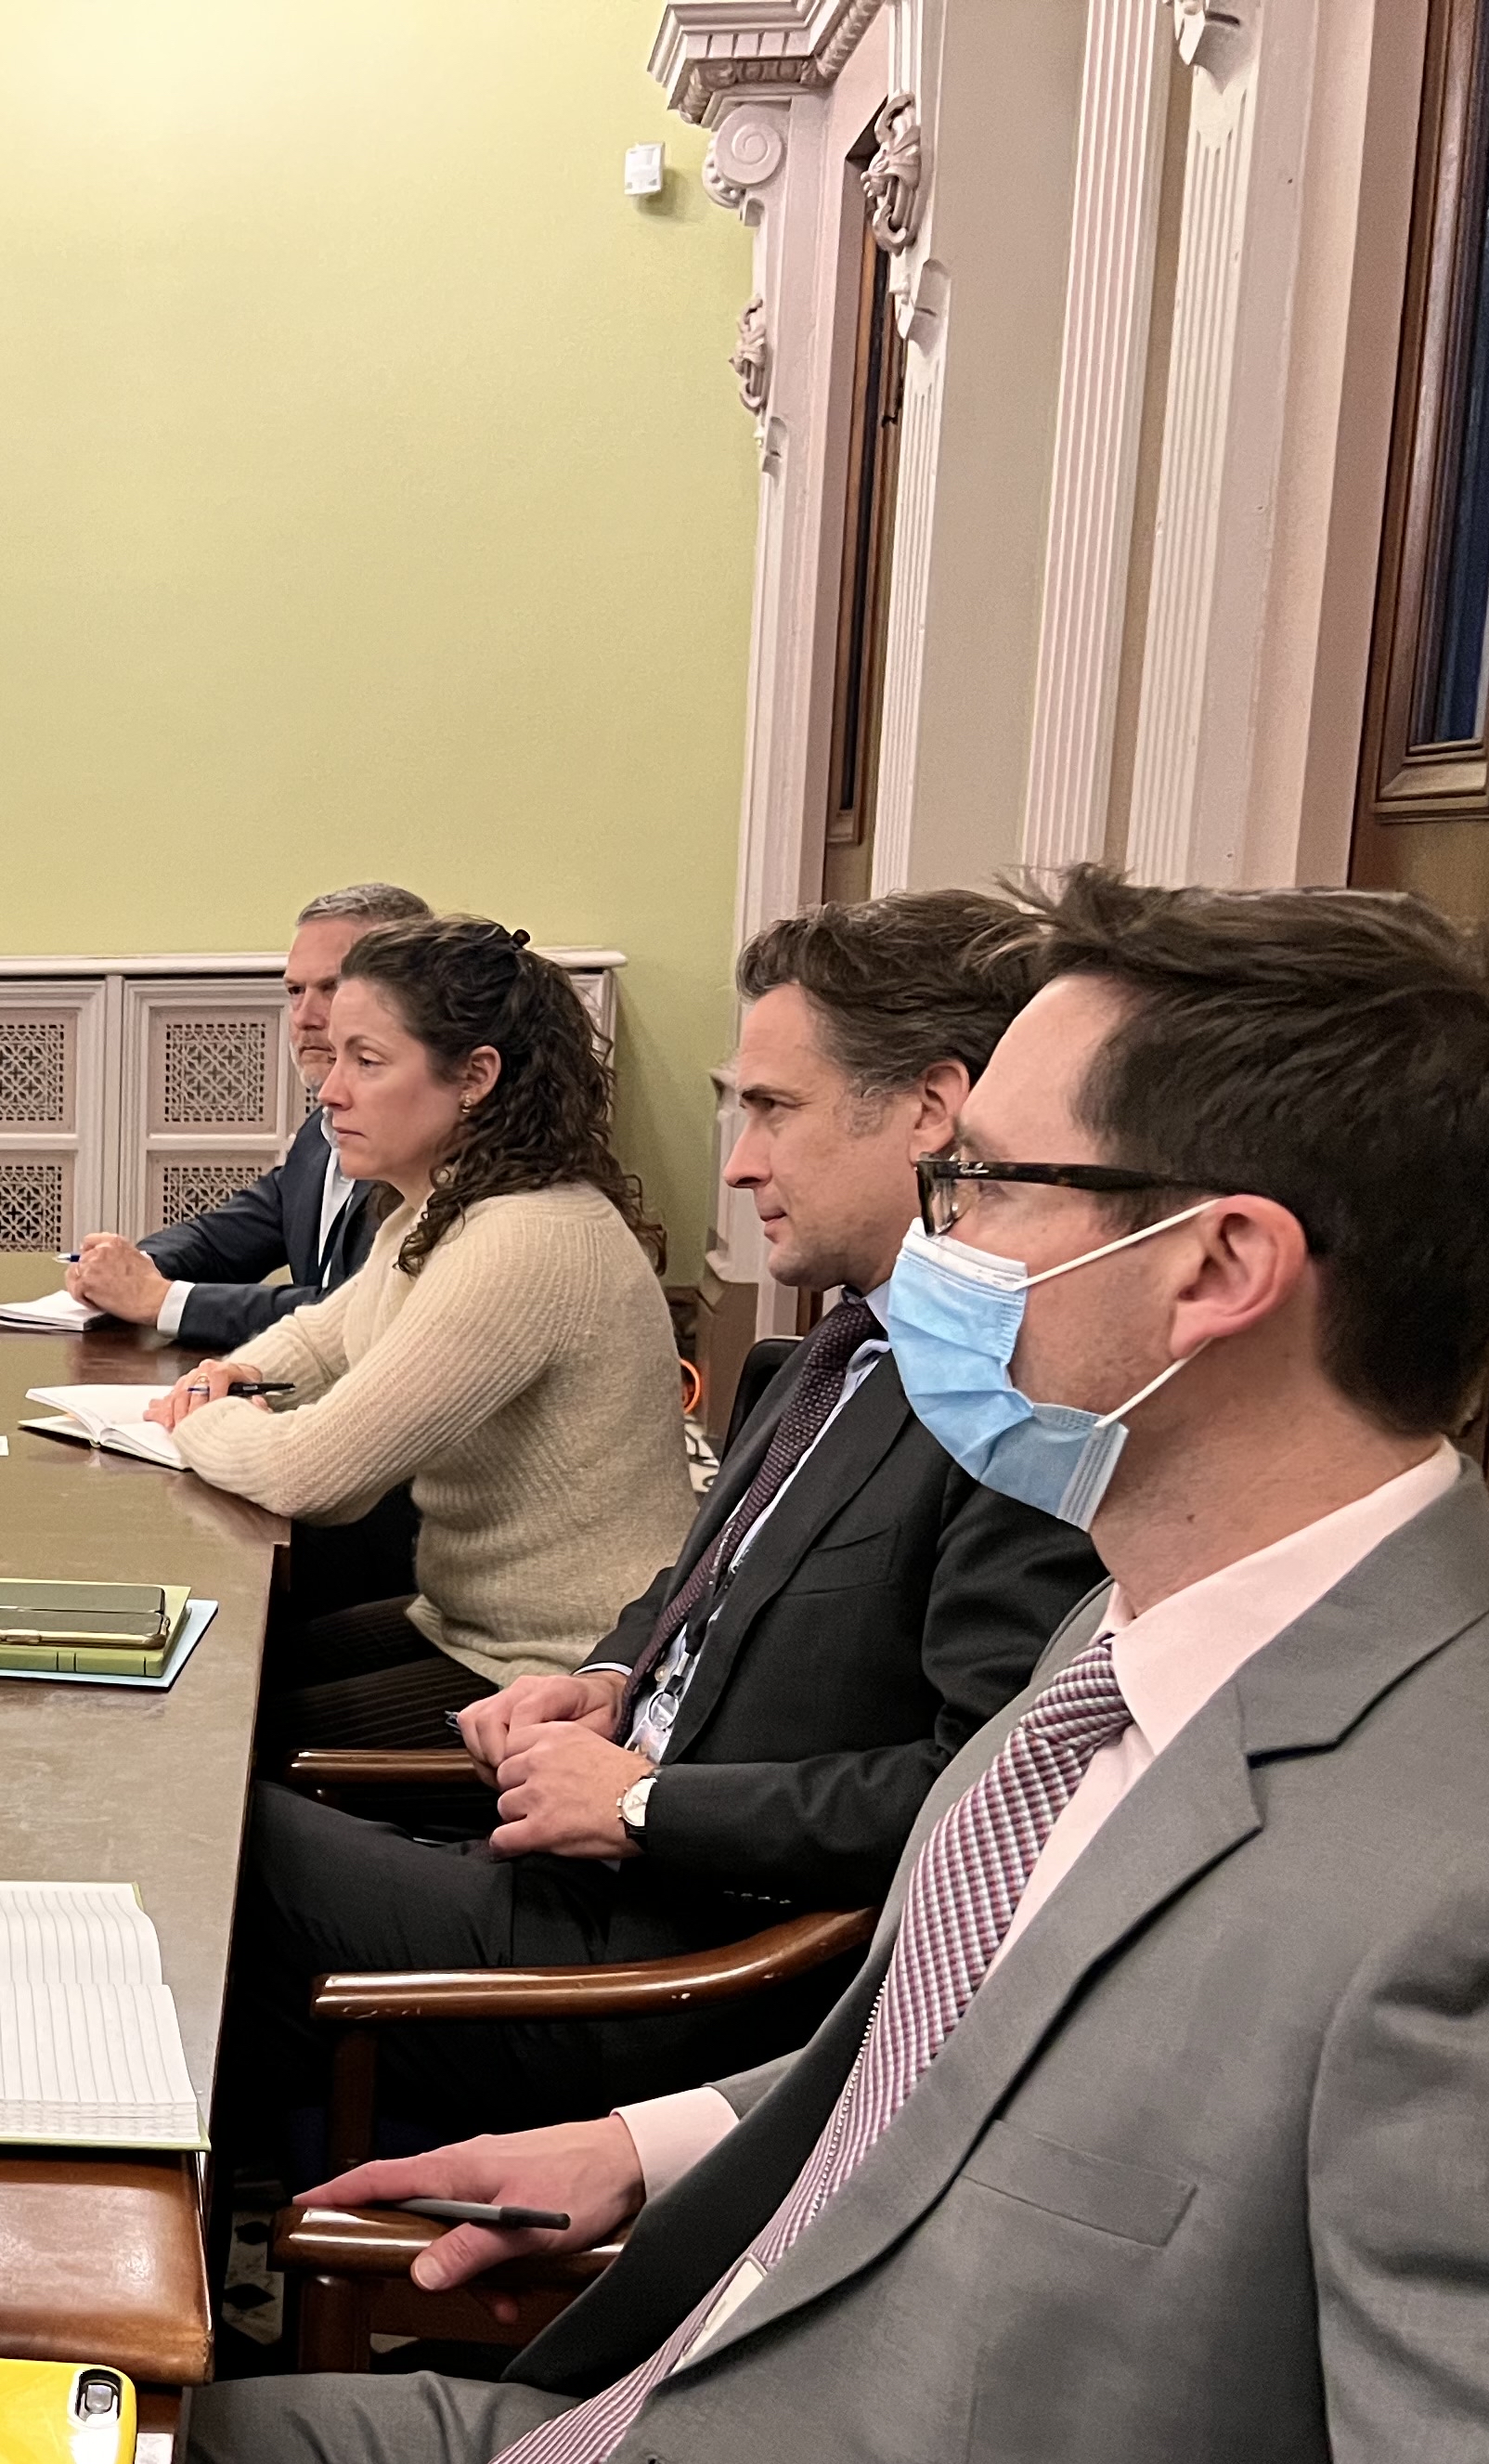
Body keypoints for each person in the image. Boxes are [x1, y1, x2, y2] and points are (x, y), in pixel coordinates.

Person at [151, 868, 1489, 2464]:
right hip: (603, 2459)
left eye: (992, 1185)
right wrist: (652, 2135)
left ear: (1218, 1267)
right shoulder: (1146, 1616)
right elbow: (995, 2034)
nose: (936, 1237)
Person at [218, 891, 1101, 2168]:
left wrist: (647, 1807)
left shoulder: (1007, 1406)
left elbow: (979, 1798)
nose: (738, 1161)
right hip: (593, 1869)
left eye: (772, 1109)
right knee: (200, 1811)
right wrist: (602, 1678)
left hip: (679, 1977)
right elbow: (687, 1589)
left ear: (929, 1111)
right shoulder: (830, 1352)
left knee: (207, 1838)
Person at [149, 916, 696, 1750]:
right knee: (202, 1669)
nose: (330, 1091)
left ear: (475, 1077)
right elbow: (326, 1334)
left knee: (206, 1733)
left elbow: (314, 1478)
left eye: (367, 1062)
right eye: (334, 1059)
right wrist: (227, 1375)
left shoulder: (528, 1238)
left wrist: (198, 1417)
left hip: (553, 1676)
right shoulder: (442, 1209)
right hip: (466, 1627)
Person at [64, 879, 432, 1345]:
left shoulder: (427, 1149)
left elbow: (357, 1311)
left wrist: (161, 1300)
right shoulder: (321, 1135)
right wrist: (126, 1268)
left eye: (332, 988)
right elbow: (225, 1238)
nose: (305, 1017)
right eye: (295, 991)